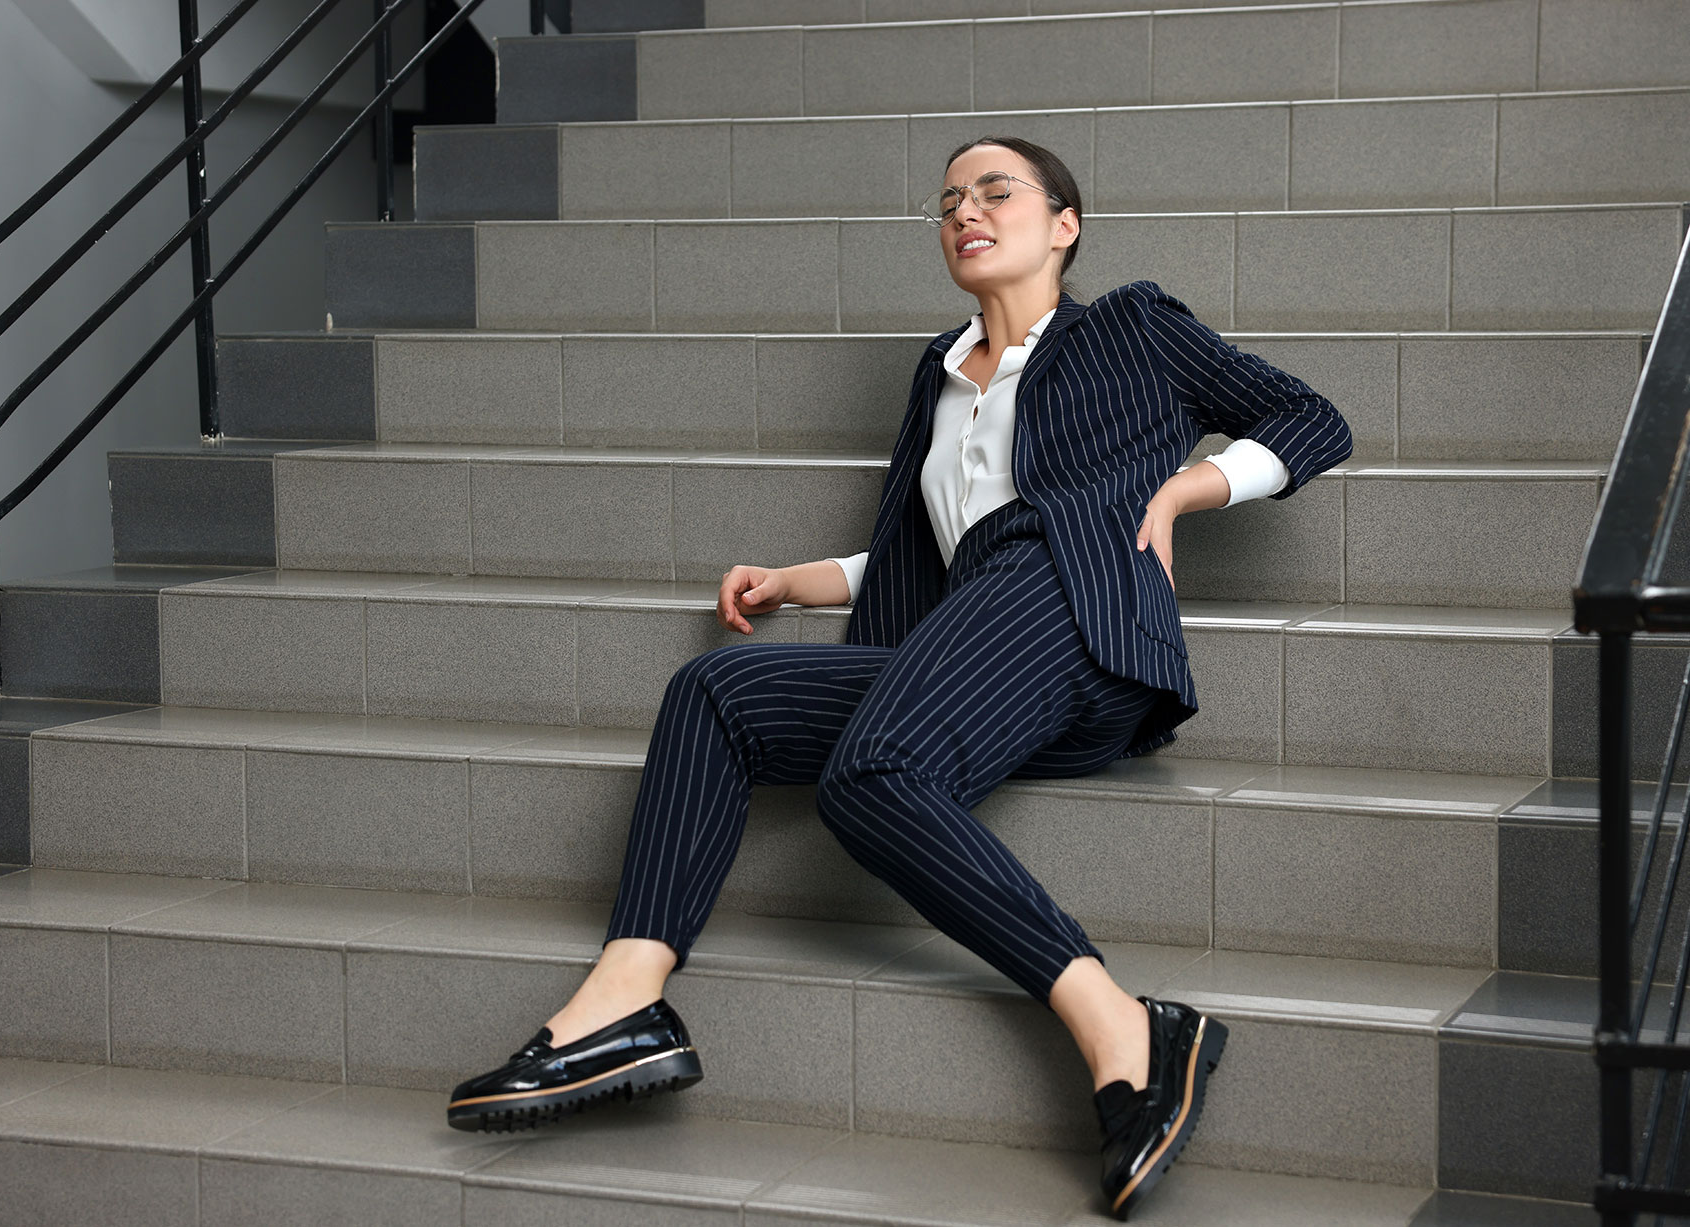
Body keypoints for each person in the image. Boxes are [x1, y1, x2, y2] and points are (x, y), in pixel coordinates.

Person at [445, 134, 1353, 1221]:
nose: (965, 209)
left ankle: (1122, 1025)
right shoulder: (940, 373)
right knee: (717, 693)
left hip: (1080, 620)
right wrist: (798, 580)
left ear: (1063, 225)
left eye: (996, 190)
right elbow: (940, 559)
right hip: (987, 630)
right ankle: (625, 1007)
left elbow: (1313, 419)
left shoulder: (1130, 325)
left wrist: (1177, 494)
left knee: (870, 772)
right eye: (947, 201)